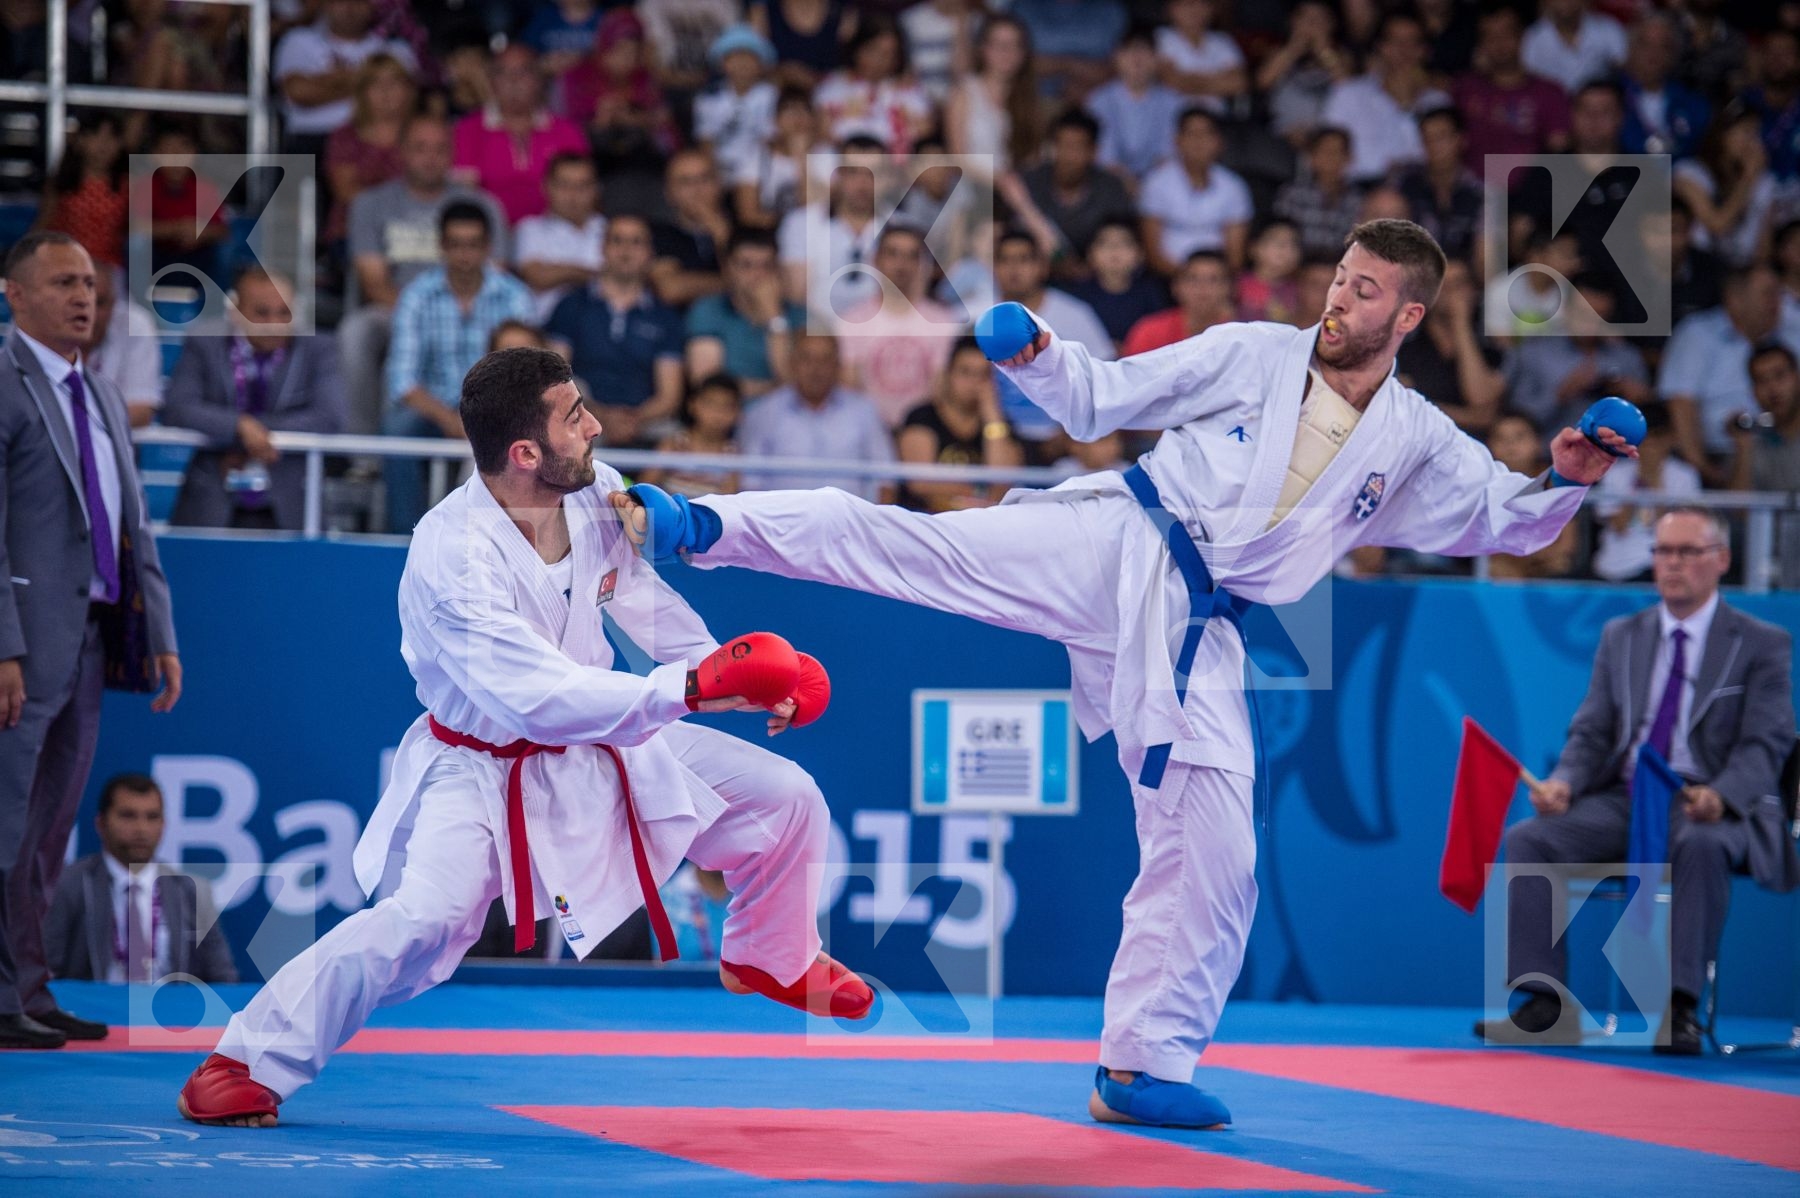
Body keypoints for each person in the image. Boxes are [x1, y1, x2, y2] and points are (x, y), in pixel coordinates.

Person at [615, 218, 1630, 1127]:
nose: (1337, 297)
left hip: (1204, 628)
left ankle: (1139, 1064)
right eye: (1337, 277)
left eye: (1364, 290)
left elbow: (1503, 511)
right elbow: (1104, 394)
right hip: (1119, 538)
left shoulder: (1411, 438)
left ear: (1409, 313)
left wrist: (1567, 477)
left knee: (1219, 851)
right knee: (914, 547)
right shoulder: (1250, 352)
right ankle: (702, 524)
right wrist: (1037, 355)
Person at [174, 345, 872, 1126]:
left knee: (786, 798)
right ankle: (244, 1059)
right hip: (482, 767)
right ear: (525, 452)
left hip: (607, 740)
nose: (598, 427)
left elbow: (638, 596)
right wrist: (689, 687)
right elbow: (539, 699)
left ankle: (769, 954)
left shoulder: (594, 490)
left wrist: (728, 677)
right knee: (424, 925)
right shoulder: (453, 559)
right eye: (577, 417)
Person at [1478, 507, 1793, 1055]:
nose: (1672, 564)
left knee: (1699, 843)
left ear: (1721, 560)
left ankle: (1681, 1008)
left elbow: (1766, 743)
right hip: (1627, 799)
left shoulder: (1761, 642)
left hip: (1712, 805)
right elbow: (1593, 731)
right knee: (1531, 838)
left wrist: (1722, 795)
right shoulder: (1623, 635)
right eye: (1663, 551)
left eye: (1687, 552)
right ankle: (1544, 1002)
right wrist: (1566, 783)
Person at [0, 233, 181, 1050]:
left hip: (93, 635)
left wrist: (164, 637)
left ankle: (27, 990)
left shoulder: (101, 393)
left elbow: (134, 524)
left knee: (47, 830)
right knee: (6, 824)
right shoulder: (4, 383)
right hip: (23, 643)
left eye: (91, 285)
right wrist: (2, 646)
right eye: (63, 282)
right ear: (14, 294)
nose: (84, 297)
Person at [384, 202, 534, 532]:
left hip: (498, 411)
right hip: (434, 411)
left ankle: (496, 540)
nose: (464, 254)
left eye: (473, 245)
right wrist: (449, 419)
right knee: (397, 428)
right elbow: (403, 381)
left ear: (487, 247)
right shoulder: (417, 296)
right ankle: (404, 536)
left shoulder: (515, 297)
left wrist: (480, 416)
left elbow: (525, 376)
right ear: (442, 246)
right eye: (455, 245)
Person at [163, 268, 348, 531]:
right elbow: (178, 408)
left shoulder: (320, 350)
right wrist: (238, 426)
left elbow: (330, 417)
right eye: (262, 313)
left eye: (284, 313)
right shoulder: (203, 343)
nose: (274, 322)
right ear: (235, 311)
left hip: (291, 503)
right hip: (211, 500)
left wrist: (251, 433)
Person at [43, 773, 237, 985]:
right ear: (101, 823)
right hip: (93, 1015)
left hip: (171, 1015)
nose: (141, 829)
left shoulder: (191, 890)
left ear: (163, 824)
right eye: (128, 816)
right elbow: (45, 973)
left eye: (152, 817)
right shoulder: (68, 885)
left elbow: (222, 978)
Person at [545, 215, 686, 449]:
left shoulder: (665, 317)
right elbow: (555, 378)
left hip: (646, 422)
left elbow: (669, 396)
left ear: (650, 252)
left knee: (680, 445)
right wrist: (600, 416)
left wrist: (632, 420)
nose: (626, 251)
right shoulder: (571, 305)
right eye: (617, 241)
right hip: (579, 416)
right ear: (602, 248)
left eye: (636, 242)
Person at [736, 332, 895, 499]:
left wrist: (871, 524)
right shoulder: (763, 413)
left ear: (838, 366)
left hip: (849, 522)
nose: (816, 369)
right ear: (792, 364)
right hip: (782, 522)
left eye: (825, 360)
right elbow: (749, 482)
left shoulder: (864, 411)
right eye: (806, 359)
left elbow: (885, 479)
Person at [896, 337, 1023, 512]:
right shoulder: (922, 417)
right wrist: (978, 494)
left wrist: (992, 417)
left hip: (979, 524)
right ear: (948, 374)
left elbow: (1004, 480)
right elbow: (920, 483)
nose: (974, 382)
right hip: (926, 519)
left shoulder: (999, 423)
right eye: (965, 372)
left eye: (983, 375)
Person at [1591, 401, 1701, 584]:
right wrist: (1639, 479)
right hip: (1617, 566)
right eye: (1645, 438)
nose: (1650, 445)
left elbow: (1677, 532)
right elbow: (1619, 525)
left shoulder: (1685, 476)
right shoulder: (1614, 473)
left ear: (1670, 437)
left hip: (1664, 566)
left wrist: (1654, 481)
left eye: (1657, 437)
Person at [513, 153, 607, 322]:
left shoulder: (610, 230)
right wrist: (598, 274)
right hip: (546, 329)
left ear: (595, 189)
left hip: (603, 327)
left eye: (582, 186)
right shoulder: (530, 229)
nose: (573, 194)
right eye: (564, 185)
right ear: (546, 186)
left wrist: (560, 270)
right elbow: (538, 277)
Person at [83, 266, 164, 429]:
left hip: (115, 446)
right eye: (83, 303)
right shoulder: (40, 326)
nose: (90, 313)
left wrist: (77, 425)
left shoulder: (135, 325)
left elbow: (141, 411)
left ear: (114, 303)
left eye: (100, 303)